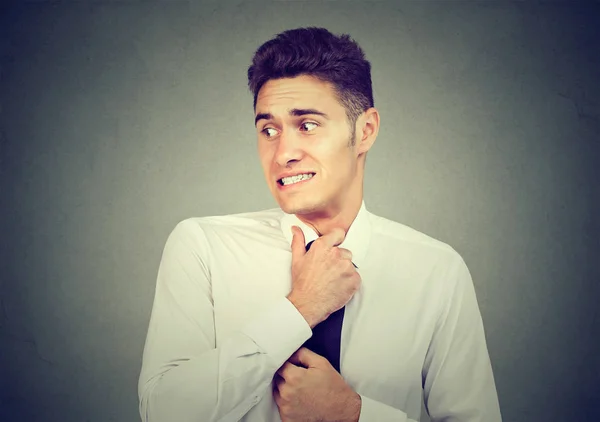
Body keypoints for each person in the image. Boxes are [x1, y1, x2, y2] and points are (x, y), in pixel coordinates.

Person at [137, 27, 502, 422]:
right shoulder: (203, 247)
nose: (283, 153)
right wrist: (299, 310)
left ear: (365, 131)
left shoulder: (437, 271)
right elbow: (162, 413)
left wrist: (354, 415)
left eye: (307, 125)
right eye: (268, 130)